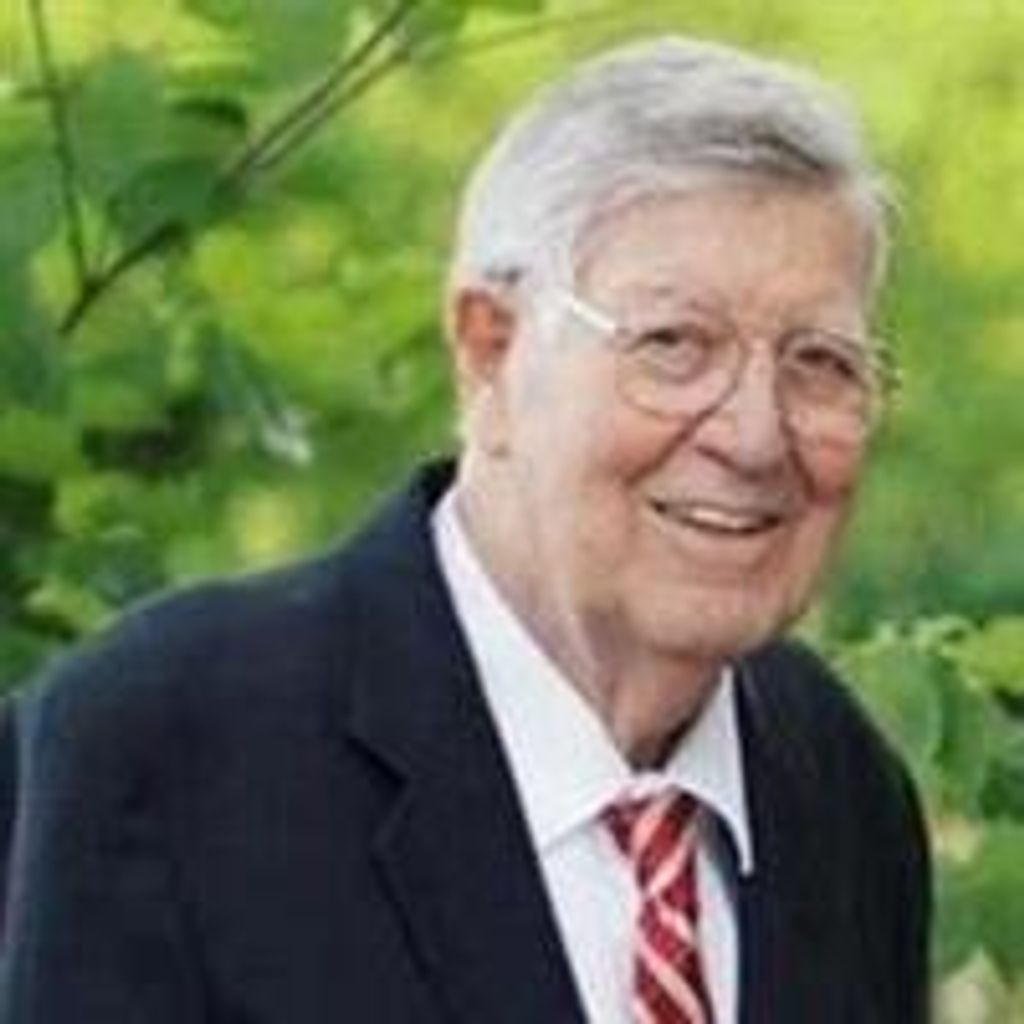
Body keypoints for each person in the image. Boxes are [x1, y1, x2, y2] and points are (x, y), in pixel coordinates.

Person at [0, 36, 930, 1023]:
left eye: (821, 363)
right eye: (674, 344)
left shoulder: (838, 783)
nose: (754, 436)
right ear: (491, 351)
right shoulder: (158, 748)